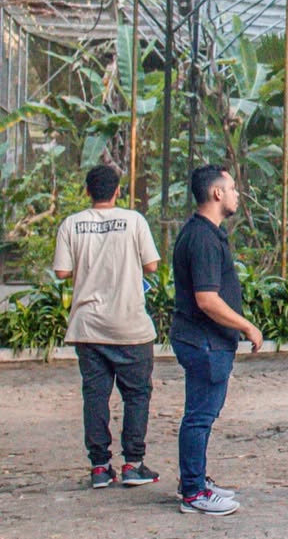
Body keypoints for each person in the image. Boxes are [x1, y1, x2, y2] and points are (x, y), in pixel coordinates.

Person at [52, 164, 161, 489]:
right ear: (118, 191)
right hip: (129, 324)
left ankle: (100, 467)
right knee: (137, 395)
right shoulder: (134, 221)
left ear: (87, 191)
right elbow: (151, 266)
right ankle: (133, 463)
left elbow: (61, 272)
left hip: (88, 325)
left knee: (96, 395)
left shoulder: (71, 224)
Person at [172, 164, 264, 516]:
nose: (238, 193)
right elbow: (206, 299)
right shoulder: (203, 238)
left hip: (205, 340)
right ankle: (194, 493)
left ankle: (193, 480)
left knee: (200, 414)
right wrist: (247, 326)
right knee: (199, 416)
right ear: (216, 193)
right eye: (233, 187)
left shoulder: (204, 233)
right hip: (204, 341)